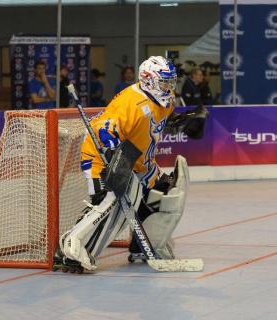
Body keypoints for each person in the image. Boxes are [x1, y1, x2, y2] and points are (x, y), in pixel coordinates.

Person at [54, 56, 209, 272]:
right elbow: (103, 127)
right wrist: (112, 145)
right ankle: (70, 248)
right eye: (164, 82)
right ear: (149, 80)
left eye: (170, 82)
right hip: (102, 158)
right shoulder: (131, 103)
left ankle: (143, 247)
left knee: (161, 193)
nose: (169, 87)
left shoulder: (164, 98)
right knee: (108, 201)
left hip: (138, 162)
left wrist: (183, 120)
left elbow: (162, 118)